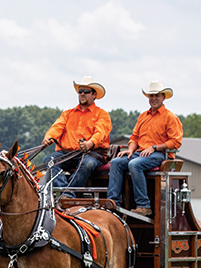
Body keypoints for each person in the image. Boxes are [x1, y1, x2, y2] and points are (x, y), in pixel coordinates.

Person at [107, 81, 183, 216]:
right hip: (141, 153)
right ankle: (113, 202)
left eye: (157, 96)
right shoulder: (143, 116)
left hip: (161, 155)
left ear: (163, 97)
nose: (153, 98)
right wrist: (130, 149)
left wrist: (154, 148)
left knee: (134, 164)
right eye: (151, 96)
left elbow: (175, 142)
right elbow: (134, 137)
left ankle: (144, 205)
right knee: (116, 162)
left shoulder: (170, 117)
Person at [41, 76, 111, 189]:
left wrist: (90, 143)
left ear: (94, 95)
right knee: (48, 160)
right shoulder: (68, 114)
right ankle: (66, 191)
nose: (82, 94)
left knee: (87, 164)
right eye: (80, 91)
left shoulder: (102, 114)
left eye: (86, 91)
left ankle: (67, 193)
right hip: (67, 153)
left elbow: (100, 133)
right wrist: (49, 137)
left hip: (91, 153)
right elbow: (57, 127)